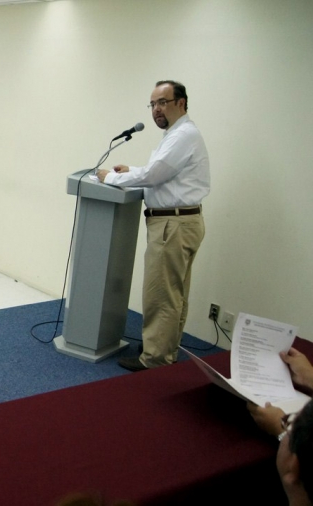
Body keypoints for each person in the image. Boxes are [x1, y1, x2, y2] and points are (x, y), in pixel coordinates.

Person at [97, 80, 210, 372]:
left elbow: (156, 175)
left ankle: (156, 359)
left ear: (181, 103)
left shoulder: (182, 134)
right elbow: (165, 173)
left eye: (162, 102)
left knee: (161, 295)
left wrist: (110, 178)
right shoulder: (178, 133)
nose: (156, 110)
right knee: (173, 294)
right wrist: (132, 170)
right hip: (180, 221)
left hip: (173, 224)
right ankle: (162, 347)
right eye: (153, 104)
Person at [247, 348, 313, 506]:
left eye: (290, 420)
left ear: (294, 465)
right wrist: (310, 376)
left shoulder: (296, 459)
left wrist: (281, 429)